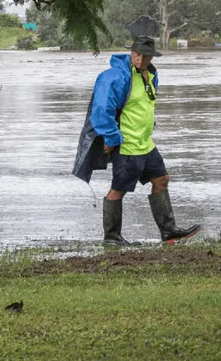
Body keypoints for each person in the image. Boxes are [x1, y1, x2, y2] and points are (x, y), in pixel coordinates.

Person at [72, 35, 201, 245]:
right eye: (137, 54)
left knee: (161, 180)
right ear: (131, 52)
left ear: (152, 56)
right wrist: (112, 138)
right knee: (119, 189)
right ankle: (112, 237)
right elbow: (100, 111)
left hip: (146, 143)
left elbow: (146, 105)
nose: (140, 59)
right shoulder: (115, 76)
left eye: (146, 56)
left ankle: (169, 232)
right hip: (127, 144)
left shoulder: (151, 75)